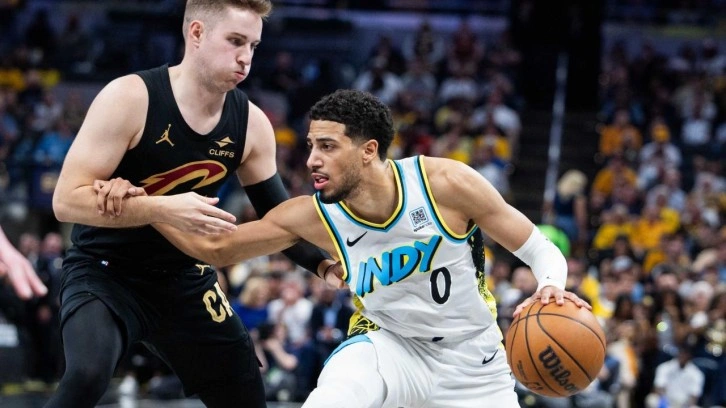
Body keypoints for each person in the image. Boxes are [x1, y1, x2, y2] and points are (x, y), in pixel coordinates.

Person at [104, 89, 590, 407]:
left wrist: (550, 286)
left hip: (473, 362)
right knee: (332, 396)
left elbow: (540, 248)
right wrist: (146, 204)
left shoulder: (444, 183)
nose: (312, 160)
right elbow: (217, 249)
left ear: (369, 150)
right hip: (389, 345)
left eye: (328, 146)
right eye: (311, 146)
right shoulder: (314, 215)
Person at [49, 1, 337, 407]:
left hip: (184, 276)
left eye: (253, 45)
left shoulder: (252, 123)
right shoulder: (130, 97)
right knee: (86, 375)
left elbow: (280, 219)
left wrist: (324, 266)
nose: (246, 57)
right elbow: (65, 201)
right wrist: (161, 208)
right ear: (197, 33)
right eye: (235, 41)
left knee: (244, 388)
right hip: (105, 269)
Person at [0, 226, 48, 299]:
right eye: (23, 242)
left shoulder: (43, 261)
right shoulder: (10, 259)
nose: (25, 245)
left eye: (29, 243)